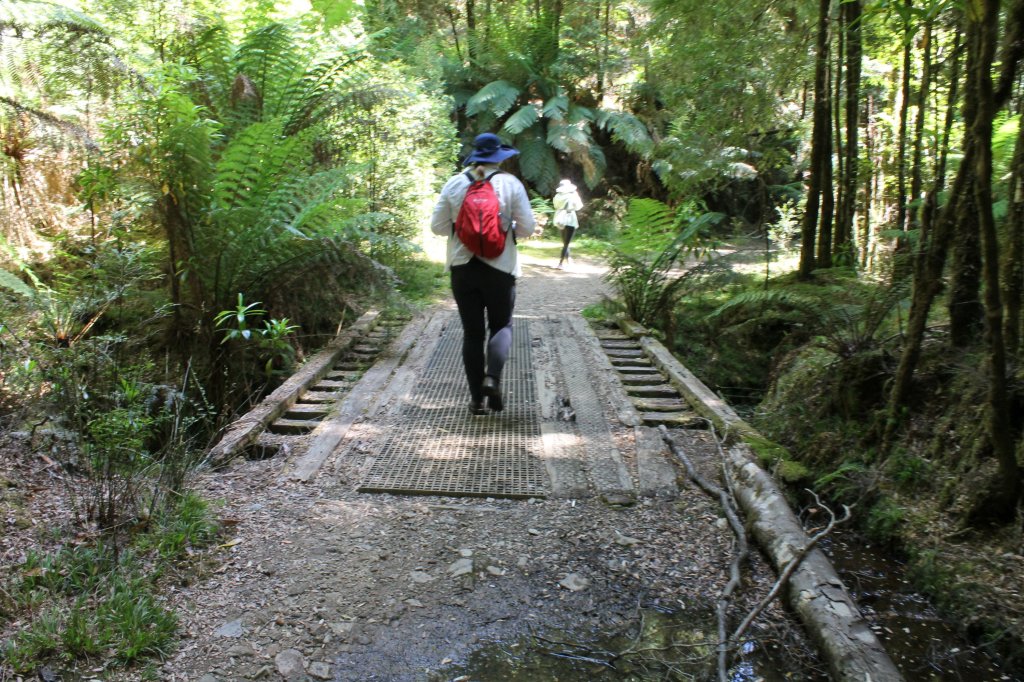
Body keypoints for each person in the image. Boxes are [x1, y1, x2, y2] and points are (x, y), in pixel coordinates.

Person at [431, 133, 536, 415]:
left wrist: (461, 227)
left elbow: (437, 227)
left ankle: (477, 400)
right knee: (501, 326)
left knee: (472, 333)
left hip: (462, 268)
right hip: (500, 268)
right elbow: (527, 227)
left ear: (475, 156)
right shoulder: (510, 184)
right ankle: (493, 378)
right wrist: (504, 227)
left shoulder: (454, 183)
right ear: (499, 157)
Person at [552, 178, 583, 269]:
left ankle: (569, 259)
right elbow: (578, 206)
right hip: (570, 218)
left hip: (559, 218)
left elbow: (555, 206)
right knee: (567, 243)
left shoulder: (557, 196)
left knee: (565, 241)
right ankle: (561, 263)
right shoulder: (573, 195)